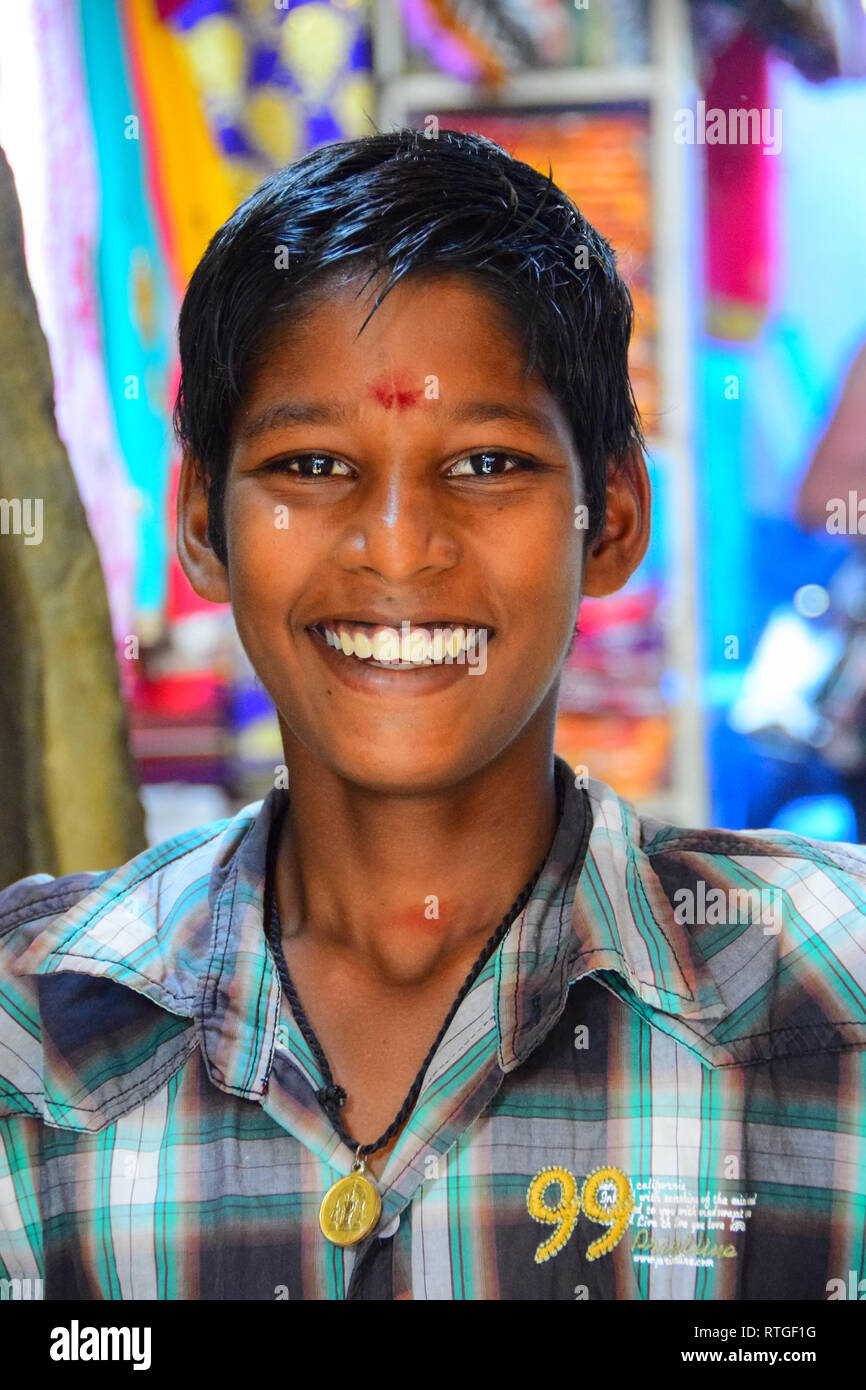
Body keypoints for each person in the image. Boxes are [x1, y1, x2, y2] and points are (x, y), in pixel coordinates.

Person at [1, 129, 865, 1302]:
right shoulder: (31, 1027)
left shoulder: (829, 996)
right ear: (201, 520)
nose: (398, 546)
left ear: (609, 518)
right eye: (311, 467)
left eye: (486, 464)